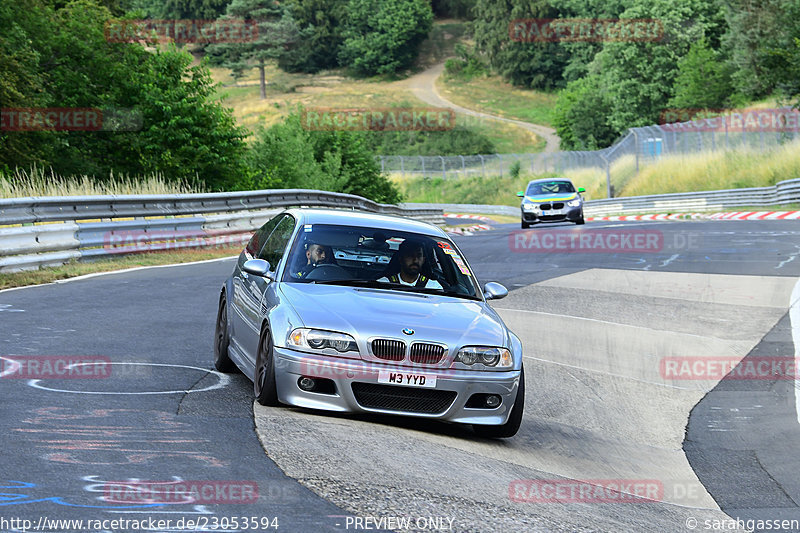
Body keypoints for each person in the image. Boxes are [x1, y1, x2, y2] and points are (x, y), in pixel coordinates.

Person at [378, 239, 443, 289]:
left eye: (419, 255)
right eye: (410, 255)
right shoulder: (384, 284)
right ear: (401, 259)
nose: (415, 260)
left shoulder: (434, 287)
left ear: (423, 260)